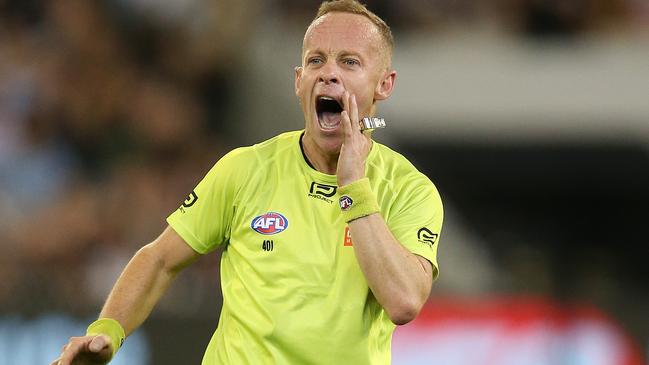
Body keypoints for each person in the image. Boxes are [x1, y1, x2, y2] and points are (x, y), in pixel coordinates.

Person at [52, 0, 443, 364]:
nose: (329, 73)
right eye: (316, 61)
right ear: (298, 80)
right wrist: (107, 331)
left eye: (349, 62)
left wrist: (354, 188)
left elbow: (404, 301)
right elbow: (158, 260)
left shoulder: (410, 190)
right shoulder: (245, 169)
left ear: (384, 85)